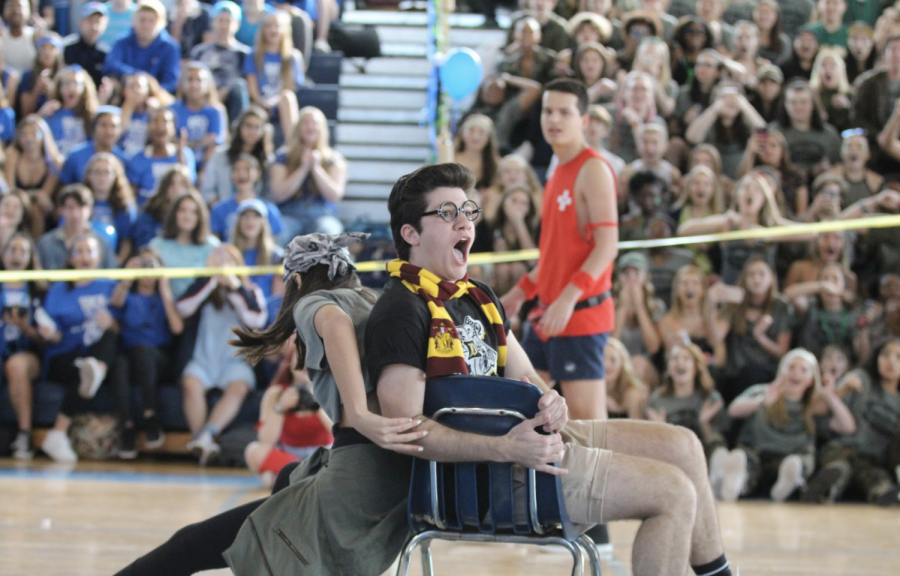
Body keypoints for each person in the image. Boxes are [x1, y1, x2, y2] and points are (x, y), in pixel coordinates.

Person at [367, 162, 735, 576]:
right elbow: (406, 430)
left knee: (683, 446)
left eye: (467, 211)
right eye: (447, 213)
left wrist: (552, 400)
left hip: (529, 444)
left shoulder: (476, 295)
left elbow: (527, 376)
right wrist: (503, 448)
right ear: (410, 234)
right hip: (487, 479)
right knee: (673, 492)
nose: (464, 222)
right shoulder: (401, 310)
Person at [112, 232, 426, 576]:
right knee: (290, 475)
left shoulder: (315, 301)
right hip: (395, 486)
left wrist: (360, 413)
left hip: (355, 483)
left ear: (296, 279)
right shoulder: (373, 300)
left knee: (188, 544)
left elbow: (335, 323)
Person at [502, 78, 618, 421]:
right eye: (548, 111)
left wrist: (568, 298)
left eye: (564, 112)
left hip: (579, 315)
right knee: (527, 409)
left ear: (583, 120)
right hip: (549, 314)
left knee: (589, 426)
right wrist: (519, 293)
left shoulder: (592, 168)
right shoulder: (558, 169)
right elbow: (556, 256)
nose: (554, 119)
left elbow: (608, 245)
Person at [722, 349, 856, 501]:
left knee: (799, 462)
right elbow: (733, 410)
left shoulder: (813, 407)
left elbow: (848, 427)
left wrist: (829, 396)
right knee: (744, 457)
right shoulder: (764, 391)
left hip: (789, 457)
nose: (795, 373)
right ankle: (738, 482)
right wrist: (761, 402)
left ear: (811, 379)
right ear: (781, 371)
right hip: (757, 452)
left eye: (803, 370)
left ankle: (787, 485)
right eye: (791, 367)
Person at [177, 244, 267, 464]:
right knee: (190, 384)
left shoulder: (250, 290)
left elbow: (256, 320)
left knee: (239, 387)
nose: (222, 264)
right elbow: (183, 308)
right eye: (217, 261)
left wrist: (234, 286)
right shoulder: (201, 287)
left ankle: (206, 435)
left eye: (228, 260)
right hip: (203, 358)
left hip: (234, 360)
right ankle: (202, 441)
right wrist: (211, 281)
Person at [38, 233, 119, 463]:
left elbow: (122, 327)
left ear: (99, 256)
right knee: (82, 372)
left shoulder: (110, 286)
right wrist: (51, 334)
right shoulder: (58, 290)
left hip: (97, 353)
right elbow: (51, 334)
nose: (84, 256)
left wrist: (112, 322)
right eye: (79, 251)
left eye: (89, 251)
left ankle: (96, 370)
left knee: (109, 338)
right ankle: (57, 433)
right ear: (71, 258)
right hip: (64, 356)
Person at [802, 338, 900, 506]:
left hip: (873, 459)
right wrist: (843, 389)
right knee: (839, 469)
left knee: (877, 478)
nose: (891, 361)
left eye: (898, 357)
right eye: (885, 355)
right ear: (876, 358)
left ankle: (884, 495)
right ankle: (824, 491)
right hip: (843, 448)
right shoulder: (860, 379)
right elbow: (817, 408)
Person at [108, 249, 183, 457]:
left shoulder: (164, 298)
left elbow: (177, 328)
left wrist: (165, 287)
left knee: (143, 352)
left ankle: (151, 415)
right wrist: (127, 278)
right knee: (119, 364)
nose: (147, 272)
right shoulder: (128, 297)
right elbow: (115, 303)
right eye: (143, 266)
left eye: (151, 266)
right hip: (129, 357)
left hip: (158, 358)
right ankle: (127, 426)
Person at [719, 257, 794, 404]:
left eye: (761, 274)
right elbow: (715, 337)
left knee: (753, 374)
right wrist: (711, 303)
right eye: (751, 274)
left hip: (765, 373)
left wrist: (760, 337)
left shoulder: (781, 306)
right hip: (736, 372)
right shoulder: (735, 303)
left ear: (771, 278)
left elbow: (782, 353)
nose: (756, 279)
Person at [269, 106, 346, 239]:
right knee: (278, 236)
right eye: (305, 122)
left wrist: (316, 169)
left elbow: (334, 196)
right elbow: (279, 194)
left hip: (322, 214)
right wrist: (303, 169)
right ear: (298, 127)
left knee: (329, 234)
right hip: (289, 214)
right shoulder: (283, 157)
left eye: (315, 123)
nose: (310, 127)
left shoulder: (333, 159)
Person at [1, 234, 44, 459]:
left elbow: (45, 336)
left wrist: (24, 326)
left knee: (16, 365)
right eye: (12, 250)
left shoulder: (37, 290)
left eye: (22, 252)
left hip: (28, 354)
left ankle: (24, 435)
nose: (16, 256)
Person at [148, 189, 220, 298]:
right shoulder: (157, 245)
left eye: (193, 212)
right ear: (174, 213)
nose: (187, 216)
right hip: (163, 306)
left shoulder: (212, 246)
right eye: (182, 210)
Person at [243, 10, 302, 141]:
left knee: (288, 97)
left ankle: (291, 145)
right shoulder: (252, 55)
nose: (273, 30)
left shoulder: (293, 57)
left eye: (277, 26)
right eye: (268, 26)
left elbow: (290, 87)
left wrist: (274, 101)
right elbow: (252, 89)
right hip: (259, 103)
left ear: (285, 30)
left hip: (280, 104)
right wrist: (262, 101)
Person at [103, 0, 181, 98]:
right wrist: (140, 77)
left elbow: (171, 82)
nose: (146, 25)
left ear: (161, 23)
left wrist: (151, 91)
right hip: (124, 94)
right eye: (142, 20)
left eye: (151, 21)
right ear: (134, 20)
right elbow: (110, 65)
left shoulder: (170, 47)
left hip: (155, 98)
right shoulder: (121, 42)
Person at [189, 1, 251, 124]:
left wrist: (225, 90)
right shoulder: (199, 51)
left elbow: (248, 82)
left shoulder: (244, 53)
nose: (224, 25)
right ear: (212, 22)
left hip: (230, 98)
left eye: (228, 21)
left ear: (237, 24)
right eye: (220, 20)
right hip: (203, 97)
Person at [201, 105, 272, 205]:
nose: (252, 131)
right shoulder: (220, 155)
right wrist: (221, 211)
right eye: (248, 126)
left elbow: (268, 196)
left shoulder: (267, 160)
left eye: (257, 127)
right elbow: (208, 190)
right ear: (239, 127)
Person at [127, 108, 197, 205]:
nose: (160, 126)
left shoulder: (185, 154)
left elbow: (189, 186)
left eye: (165, 122)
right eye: (155, 121)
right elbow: (131, 196)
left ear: (173, 127)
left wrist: (180, 156)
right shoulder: (137, 159)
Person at [37, 185, 117, 270]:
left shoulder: (103, 244)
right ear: (60, 210)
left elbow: (111, 277)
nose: (75, 214)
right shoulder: (45, 244)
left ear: (90, 209)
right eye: (70, 207)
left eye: (80, 207)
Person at [170, 61, 228, 168]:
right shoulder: (171, 110)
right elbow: (169, 141)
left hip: (207, 166)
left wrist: (204, 172)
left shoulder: (216, 111)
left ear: (208, 85)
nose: (194, 85)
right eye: (189, 79)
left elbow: (215, 143)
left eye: (199, 80)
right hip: (177, 163)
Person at [209, 157, 283, 240]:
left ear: (258, 173)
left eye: (247, 169)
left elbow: (273, 242)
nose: (241, 174)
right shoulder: (219, 209)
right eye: (236, 169)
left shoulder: (269, 210)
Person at [83, 152, 138, 264]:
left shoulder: (125, 207)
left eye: (106, 172)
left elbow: (126, 241)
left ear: (115, 176)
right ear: (88, 175)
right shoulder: (79, 203)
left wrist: (116, 263)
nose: (101, 177)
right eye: (97, 172)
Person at [59, 105, 130, 185]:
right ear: (94, 127)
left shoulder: (124, 160)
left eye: (113, 126)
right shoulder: (75, 156)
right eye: (103, 125)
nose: (109, 131)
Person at [63, 2, 111, 89]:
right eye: (90, 21)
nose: (94, 26)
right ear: (81, 22)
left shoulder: (105, 52)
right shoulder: (68, 47)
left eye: (98, 22)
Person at [603, 337, 649, 418]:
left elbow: (636, 426)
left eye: (613, 360)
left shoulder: (632, 392)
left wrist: (616, 411)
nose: (606, 365)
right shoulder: (589, 390)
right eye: (602, 359)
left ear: (622, 366)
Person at [1, 0, 38, 74]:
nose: (16, 11)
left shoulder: (36, 36)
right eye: (11, 6)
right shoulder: (1, 37)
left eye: (20, 7)